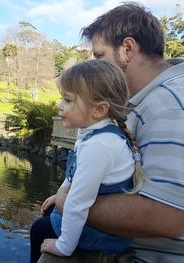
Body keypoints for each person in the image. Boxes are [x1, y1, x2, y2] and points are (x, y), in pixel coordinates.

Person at [37, 3, 184, 263]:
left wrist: (66, 201)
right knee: (42, 226)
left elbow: (170, 216)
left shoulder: (169, 107)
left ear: (127, 49)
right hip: (122, 241)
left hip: (141, 255)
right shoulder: (138, 99)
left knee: (44, 231)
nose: (93, 65)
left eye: (98, 55)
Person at [30, 59, 144, 262]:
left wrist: (64, 246)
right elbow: (75, 173)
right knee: (48, 209)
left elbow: (77, 203)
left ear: (99, 109)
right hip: (96, 223)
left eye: (67, 100)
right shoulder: (93, 132)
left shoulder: (99, 146)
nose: (59, 106)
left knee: (39, 229)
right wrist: (59, 194)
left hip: (102, 236)